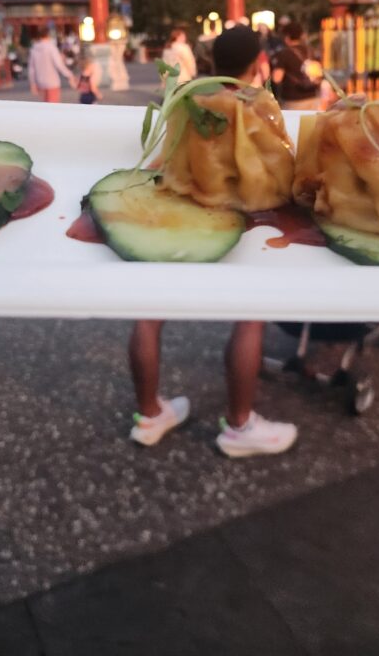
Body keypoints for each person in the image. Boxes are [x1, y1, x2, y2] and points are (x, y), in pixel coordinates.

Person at [128, 25, 297, 458]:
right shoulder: (257, 104)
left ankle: (149, 414)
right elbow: (279, 171)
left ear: (212, 61)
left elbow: (162, 159)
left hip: (179, 211)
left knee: (148, 314)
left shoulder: (191, 98)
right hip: (238, 220)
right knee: (250, 319)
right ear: (257, 63)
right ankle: (239, 425)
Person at [271, 20, 322, 110]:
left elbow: (277, 78)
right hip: (313, 97)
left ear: (287, 37)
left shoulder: (284, 54)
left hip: (292, 100)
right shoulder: (311, 51)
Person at [27, 26, 77, 102]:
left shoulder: (34, 49)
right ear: (48, 35)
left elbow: (31, 69)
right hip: (52, 81)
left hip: (40, 82)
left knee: (44, 108)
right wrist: (69, 75)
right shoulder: (51, 48)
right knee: (53, 108)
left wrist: (33, 83)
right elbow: (59, 65)